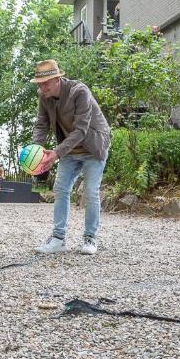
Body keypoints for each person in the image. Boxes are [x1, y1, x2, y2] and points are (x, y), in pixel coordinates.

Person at [30, 59, 111, 255]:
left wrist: (56, 153)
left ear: (57, 79)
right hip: (69, 150)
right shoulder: (44, 96)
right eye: (39, 84)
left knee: (90, 192)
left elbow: (81, 130)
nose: (42, 88)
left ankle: (90, 238)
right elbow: (41, 125)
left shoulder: (79, 92)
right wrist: (36, 151)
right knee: (61, 189)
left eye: (46, 83)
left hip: (93, 147)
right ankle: (58, 239)